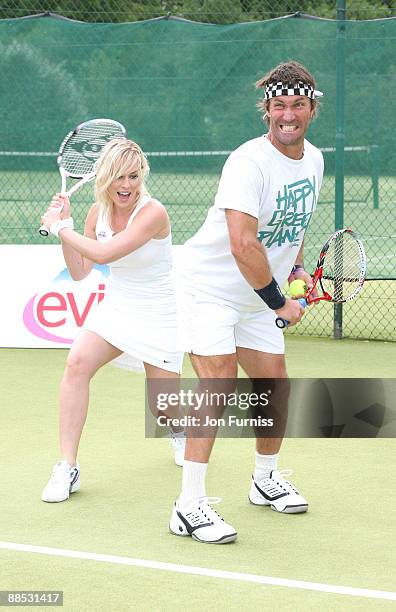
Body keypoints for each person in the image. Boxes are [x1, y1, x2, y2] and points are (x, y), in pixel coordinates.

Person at [169, 61, 324, 543]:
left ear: (311, 108)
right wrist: (280, 300)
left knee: (274, 384)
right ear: (267, 112)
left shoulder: (315, 160)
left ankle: (264, 479)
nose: (288, 115)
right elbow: (243, 244)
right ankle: (188, 507)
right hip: (210, 289)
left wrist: (294, 268)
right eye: (279, 105)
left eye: (298, 104)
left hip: (259, 295)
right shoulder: (248, 162)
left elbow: (294, 224)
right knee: (218, 381)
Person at [40, 138, 185, 503]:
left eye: (133, 176)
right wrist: (68, 228)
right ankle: (66, 466)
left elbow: (105, 252)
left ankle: (180, 432)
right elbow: (79, 271)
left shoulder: (154, 213)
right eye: (119, 177)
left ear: (142, 176)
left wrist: (59, 228)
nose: (126, 185)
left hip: (158, 311)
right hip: (118, 305)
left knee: (163, 407)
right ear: (104, 178)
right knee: (76, 364)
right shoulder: (95, 214)